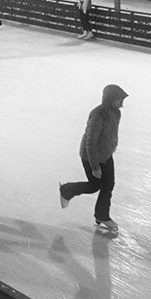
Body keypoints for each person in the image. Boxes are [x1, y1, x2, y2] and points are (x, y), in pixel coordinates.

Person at [59, 84, 128, 234]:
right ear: (109, 99)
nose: (121, 103)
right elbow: (90, 142)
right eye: (119, 99)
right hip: (91, 155)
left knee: (108, 185)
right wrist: (95, 167)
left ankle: (102, 216)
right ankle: (66, 190)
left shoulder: (116, 113)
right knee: (95, 185)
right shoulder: (98, 115)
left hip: (106, 154)